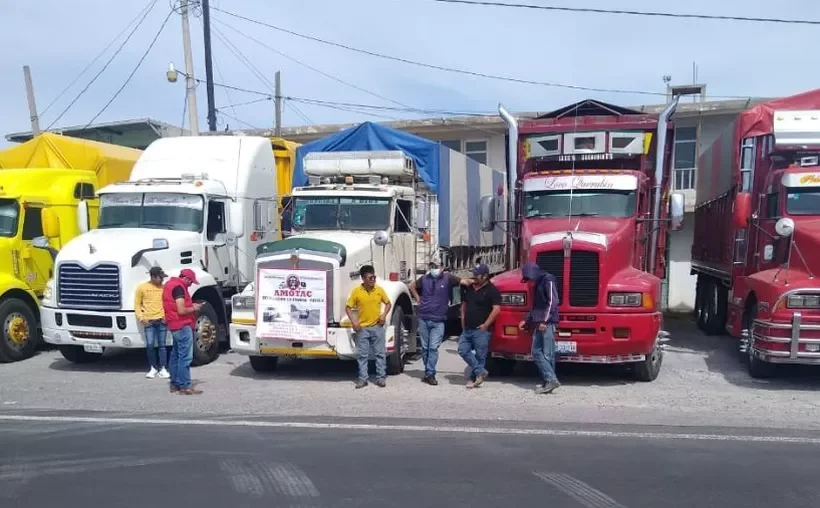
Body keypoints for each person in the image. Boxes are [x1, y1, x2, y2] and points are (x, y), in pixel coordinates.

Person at [409, 261, 471, 386]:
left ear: (442, 267)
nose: (434, 269)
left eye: (436, 267)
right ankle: (428, 372)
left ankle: (430, 373)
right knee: (425, 348)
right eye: (432, 266)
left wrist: (477, 281)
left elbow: (464, 282)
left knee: (433, 347)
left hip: (438, 320)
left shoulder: (448, 278)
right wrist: (418, 299)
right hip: (424, 318)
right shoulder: (424, 278)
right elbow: (412, 286)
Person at [346, 265, 391, 389]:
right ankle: (363, 379)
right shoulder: (356, 292)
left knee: (380, 354)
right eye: (370, 277)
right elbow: (348, 307)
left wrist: (383, 316)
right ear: (363, 278)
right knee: (362, 356)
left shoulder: (379, 290)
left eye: (374, 277)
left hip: (377, 327)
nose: (373, 279)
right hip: (362, 329)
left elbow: (388, 303)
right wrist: (354, 322)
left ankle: (381, 378)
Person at [518, 262, 561, 394]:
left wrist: (544, 320)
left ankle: (550, 380)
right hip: (539, 322)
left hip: (546, 323)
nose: (529, 282)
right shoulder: (537, 283)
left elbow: (553, 301)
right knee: (536, 352)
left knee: (547, 353)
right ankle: (549, 379)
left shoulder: (548, 280)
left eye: (529, 279)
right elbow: (536, 306)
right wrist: (527, 320)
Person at [458, 263, 501, 388]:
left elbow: (496, 309)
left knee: (480, 355)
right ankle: (481, 371)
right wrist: (462, 322)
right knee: (462, 350)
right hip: (467, 328)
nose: (474, 277)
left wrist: (486, 325)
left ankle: (475, 378)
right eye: (474, 274)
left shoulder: (492, 290)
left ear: (485, 276)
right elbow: (464, 306)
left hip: (481, 330)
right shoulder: (469, 288)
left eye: (477, 275)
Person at [162, 268, 203, 395]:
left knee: (175, 355)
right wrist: (194, 307)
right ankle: (185, 386)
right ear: (186, 278)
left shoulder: (169, 285)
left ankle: (174, 383)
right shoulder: (179, 288)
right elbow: (181, 310)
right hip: (182, 325)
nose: (190, 285)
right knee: (185, 357)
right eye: (191, 282)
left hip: (173, 325)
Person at [134, 266, 169, 379]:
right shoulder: (142, 288)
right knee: (150, 345)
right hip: (149, 321)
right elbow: (137, 304)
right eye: (160, 277)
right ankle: (153, 367)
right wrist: (141, 318)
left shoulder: (164, 288)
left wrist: (166, 316)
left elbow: (168, 303)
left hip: (161, 320)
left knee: (162, 345)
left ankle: (163, 368)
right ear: (153, 277)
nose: (162, 280)